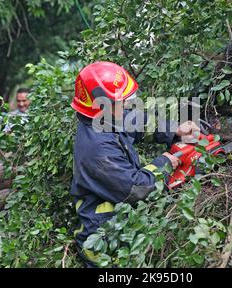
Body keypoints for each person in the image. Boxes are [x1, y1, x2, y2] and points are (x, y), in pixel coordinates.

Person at [70, 61, 200, 266]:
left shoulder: (105, 119)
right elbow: (135, 189)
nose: (127, 105)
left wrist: (175, 129)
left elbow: (138, 123)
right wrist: (165, 162)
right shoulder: (98, 149)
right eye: (121, 102)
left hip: (121, 223)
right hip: (105, 240)